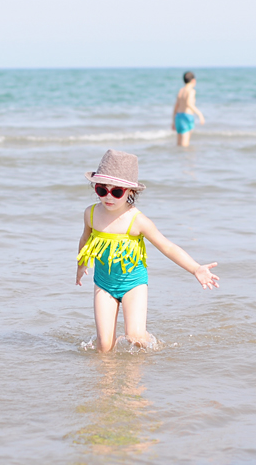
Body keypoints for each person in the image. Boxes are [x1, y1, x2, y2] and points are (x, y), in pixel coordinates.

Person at [76, 149, 220, 353]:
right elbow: (85, 239)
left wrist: (195, 269)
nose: (108, 197)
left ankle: (150, 341)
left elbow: (167, 246)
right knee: (103, 347)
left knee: (135, 338)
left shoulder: (138, 221)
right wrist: (81, 265)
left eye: (116, 191)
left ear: (130, 192)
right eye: (101, 190)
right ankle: (105, 381)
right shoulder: (91, 214)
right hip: (104, 283)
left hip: (133, 284)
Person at [172, 71, 205, 147]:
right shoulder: (191, 91)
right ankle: (185, 158)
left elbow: (176, 107)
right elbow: (189, 104)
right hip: (187, 117)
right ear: (193, 80)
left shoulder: (181, 90)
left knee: (179, 144)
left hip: (178, 117)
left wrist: (173, 121)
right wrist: (200, 114)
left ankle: (178, 158)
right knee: (185, 145)